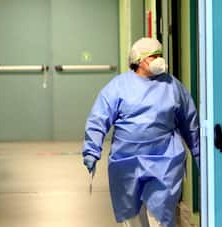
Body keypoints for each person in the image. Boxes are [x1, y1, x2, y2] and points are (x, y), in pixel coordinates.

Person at [82, 37, 199, 227]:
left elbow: (190, 123)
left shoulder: (173, 86)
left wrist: (199, 154)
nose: (159, 60)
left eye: (160, 55)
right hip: (126, 160)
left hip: (165, 159)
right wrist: (91, 150)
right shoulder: (118, 87)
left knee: (162, 213)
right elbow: (98, 119)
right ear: (138, 60)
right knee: (132, 215)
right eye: (153, 56)